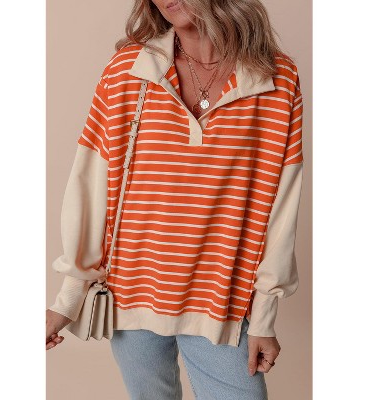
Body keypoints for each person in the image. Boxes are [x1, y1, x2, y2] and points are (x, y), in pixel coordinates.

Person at [46, 0, 304, 398]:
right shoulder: (130, 69)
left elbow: (281, 204)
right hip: (131, 295)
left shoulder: (275, 78)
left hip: (221, 301)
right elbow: (90, 184)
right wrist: (67, 299)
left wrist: (264, 317)